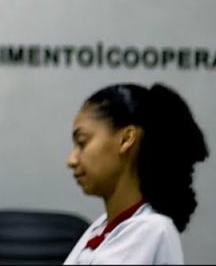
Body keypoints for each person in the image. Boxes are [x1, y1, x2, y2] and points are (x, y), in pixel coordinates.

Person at [64, 83, 209, 265]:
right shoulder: (103, 226)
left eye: (82, 142)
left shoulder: (152, 230)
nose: (71, 160)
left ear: (126, 139)